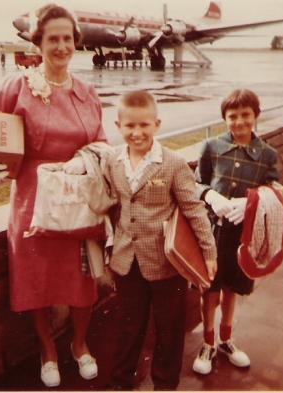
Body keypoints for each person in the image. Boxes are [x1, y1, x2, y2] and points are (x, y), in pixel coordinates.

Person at [0, 5, 106, 387]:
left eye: (66, 39)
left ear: (75, 44)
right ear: (38, 43)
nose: (61, 46)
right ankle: (47, 348)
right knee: (36, 279)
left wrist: (88, 160)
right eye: (52, 39)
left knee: (82, 281)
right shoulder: (17, 86)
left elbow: (103, 143)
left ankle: (79, 344)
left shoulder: (87, 92)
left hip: (78, 202)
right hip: (32, 200)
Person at [104, 90, 217, 390]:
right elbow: (115, 207)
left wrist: (209, 252)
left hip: (167, 263)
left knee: (169, 329)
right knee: (129, 327)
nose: (137, 132)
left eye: (144, 125)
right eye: (129, 126)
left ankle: (165, 385)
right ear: (118, 126)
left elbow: (194, 209)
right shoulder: (113, 161)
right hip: (128, 262)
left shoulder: (173, 163)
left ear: (157, 124)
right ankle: (120, 383)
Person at [193, 89, 280, 375]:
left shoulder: (268, 154)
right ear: (224, 118)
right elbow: (196, 183)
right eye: (233, 116)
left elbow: (273, 190)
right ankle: (207, 342)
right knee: (210, 289)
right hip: (213, 231)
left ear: (256, 115)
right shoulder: (211, 147)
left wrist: (250, 202)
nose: (239, 121)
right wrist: (210, 198)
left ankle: (226, 340)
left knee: (232, 290)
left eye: (246, 115)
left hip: (244, 233)